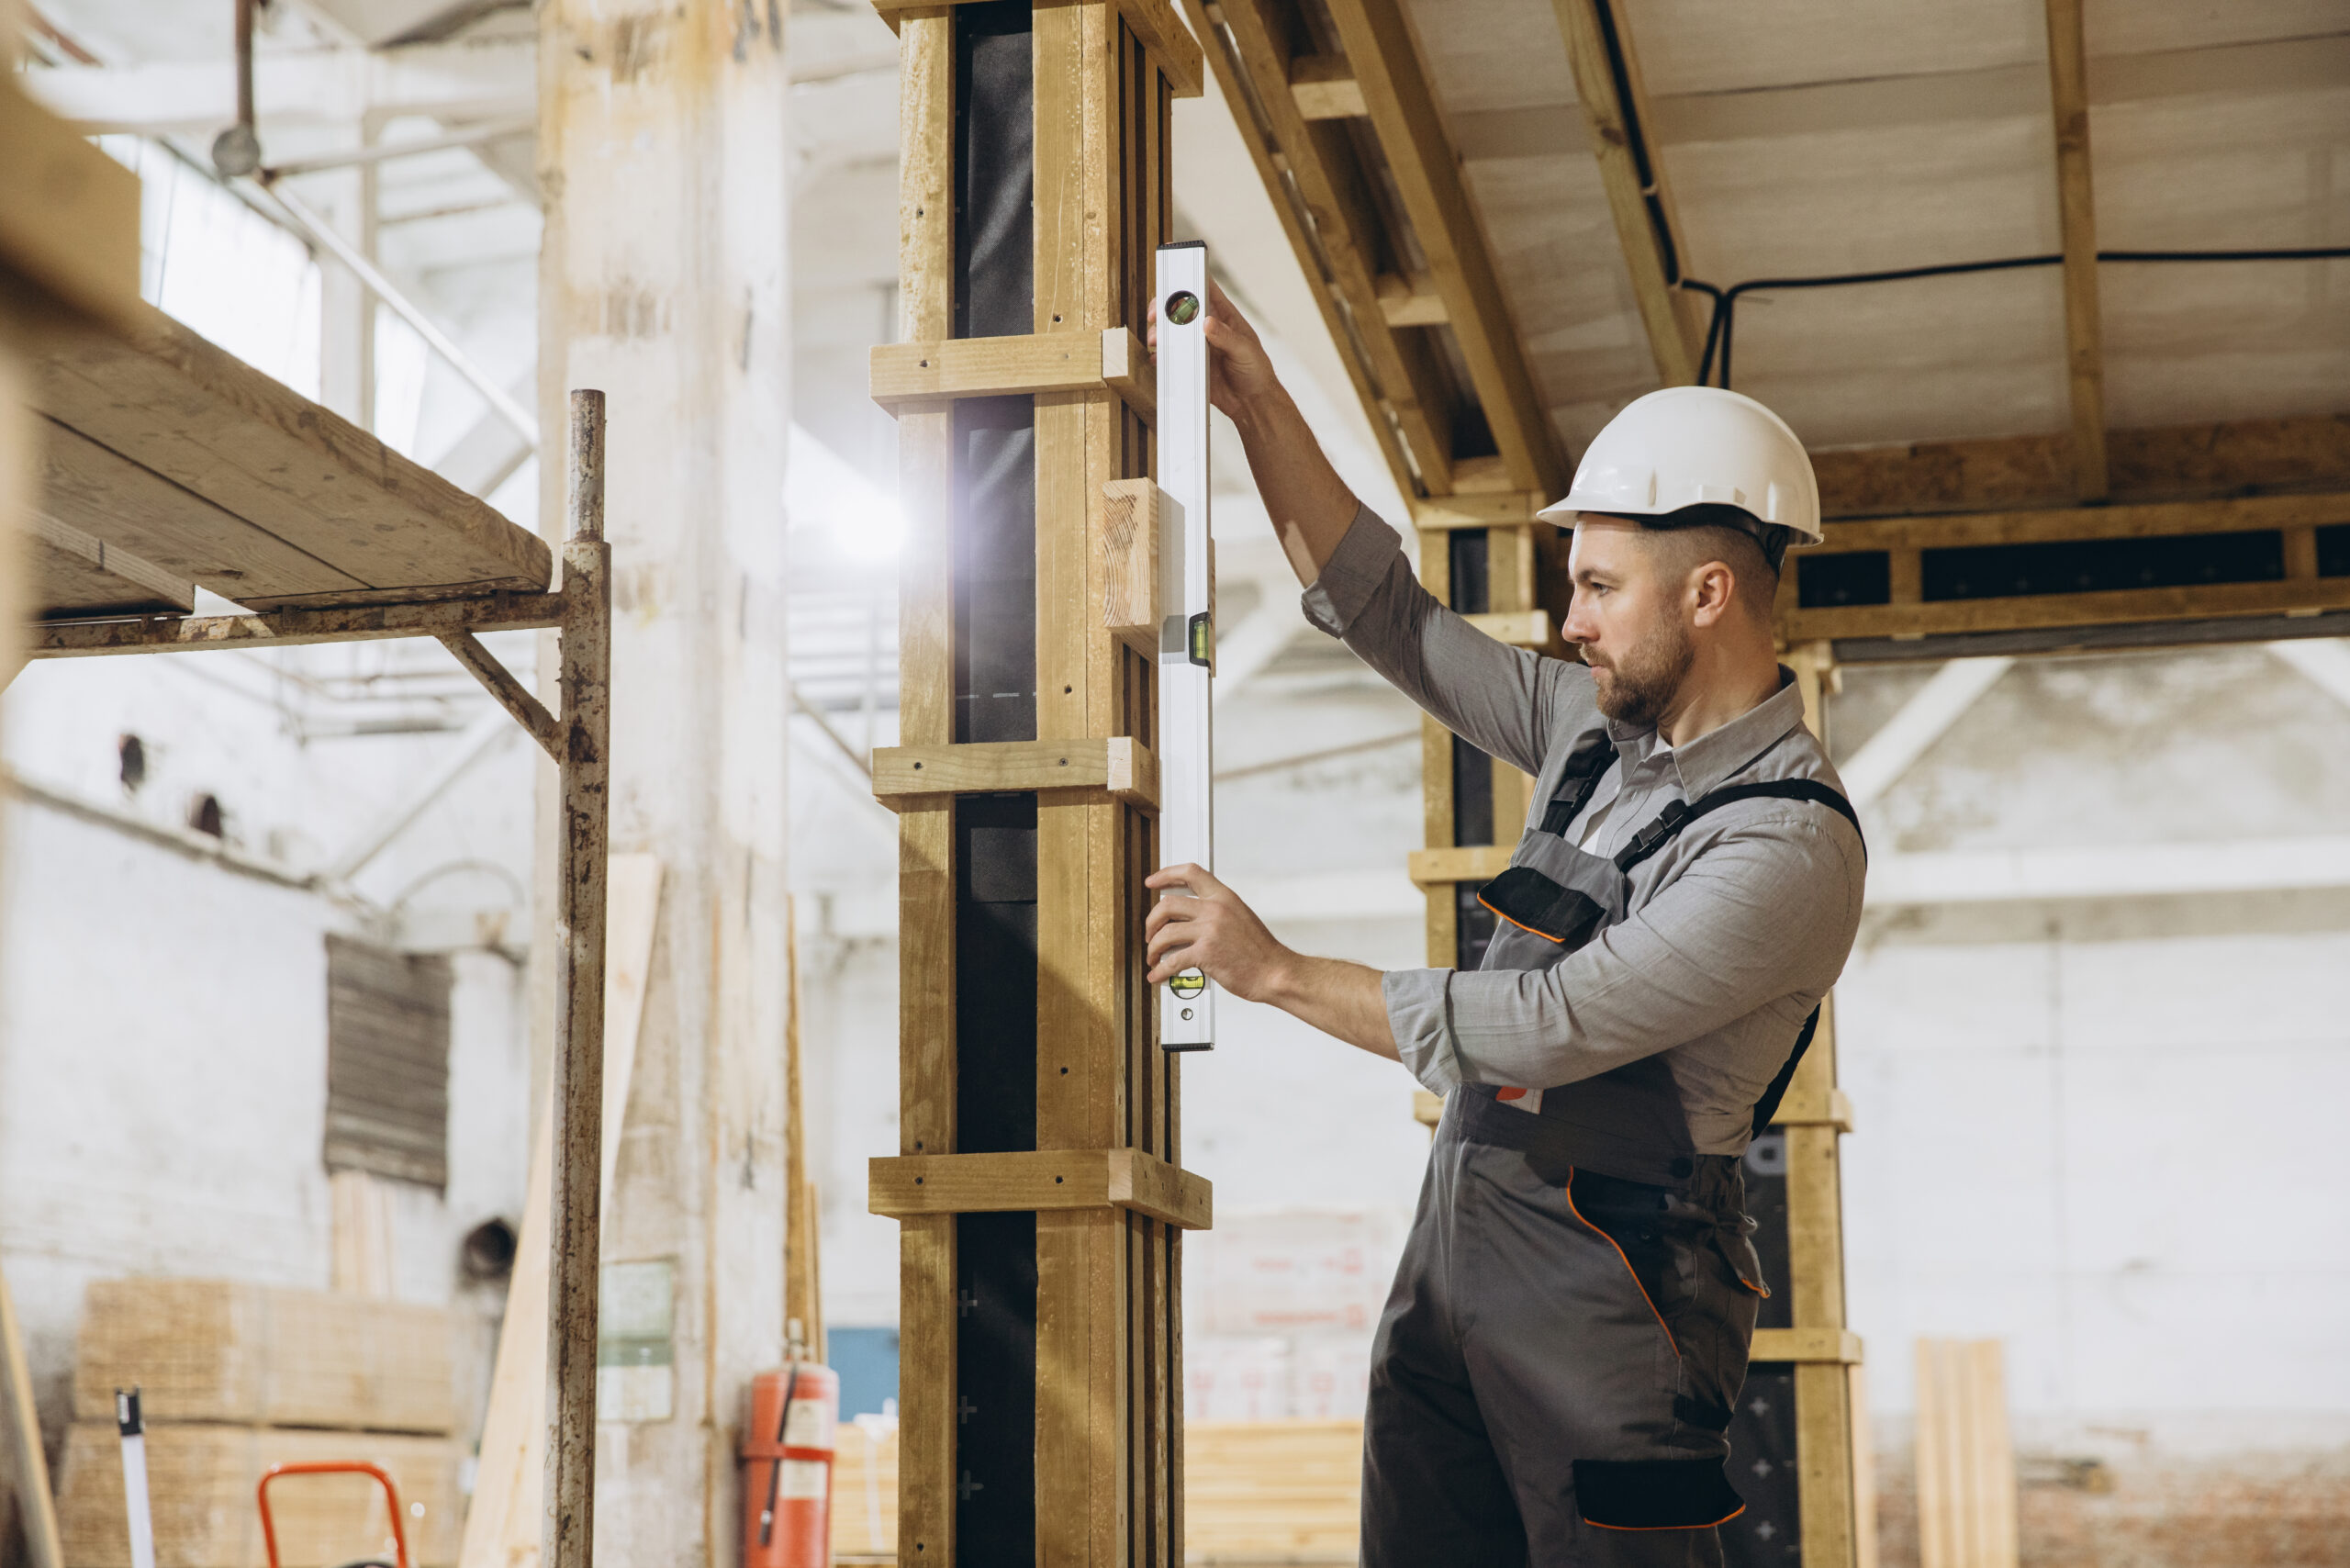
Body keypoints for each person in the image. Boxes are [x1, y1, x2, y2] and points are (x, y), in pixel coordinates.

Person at [1144, 283, 1866, 1566]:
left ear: (1707, 593)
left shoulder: (1787, 842)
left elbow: (1552, 1024)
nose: (1572, 621)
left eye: (1598, 587)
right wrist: (1254, 403)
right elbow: (1395, 620)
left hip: (1618, 1307)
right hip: (1458, 1254)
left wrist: (1275, 972)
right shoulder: (1596, 735)